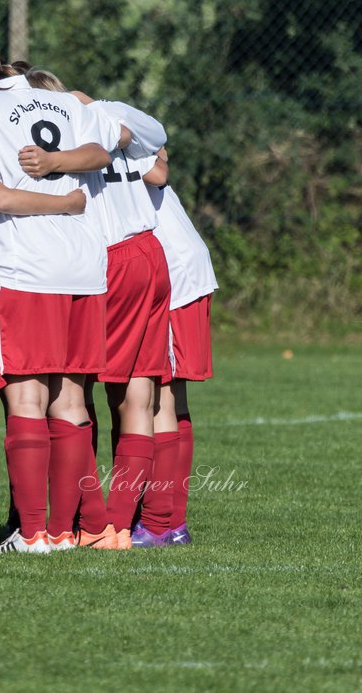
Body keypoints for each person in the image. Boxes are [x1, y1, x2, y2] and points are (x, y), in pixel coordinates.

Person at [0, 39, 123, 553]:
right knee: (72, 399)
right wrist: (67, 183)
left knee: (27, 398)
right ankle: (82, 526)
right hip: (84, 267)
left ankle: (32, 531)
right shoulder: (61, 100)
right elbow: (104, 149)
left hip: (27, 270)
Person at [18, 90, 170, 550]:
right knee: (138, 395)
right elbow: (157, 146)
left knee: (68, 394)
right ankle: (120, 527)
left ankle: (98, 522)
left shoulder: (73, 131)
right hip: (151, 252)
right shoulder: (106, 119)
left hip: (110, 258)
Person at [132, 148, 217, 545]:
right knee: (171, 397)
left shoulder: (102, 133)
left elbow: (157, 170)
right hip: (181, 267)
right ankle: (172, 522)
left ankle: (160, 521)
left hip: (174, 274)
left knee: (161, 396)